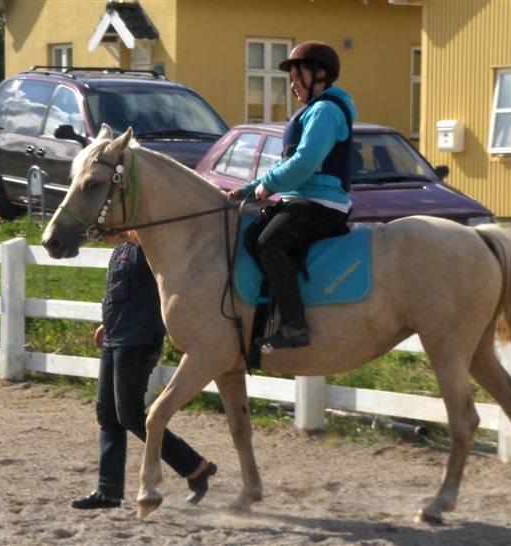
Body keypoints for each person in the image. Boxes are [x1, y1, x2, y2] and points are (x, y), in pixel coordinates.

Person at [72, 231, 217, 509]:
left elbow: (164, 292)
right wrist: (107, 323)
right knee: (108, 415)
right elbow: (121, 293)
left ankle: (194, 466)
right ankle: (109, 491)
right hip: (117, 337)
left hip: (138, 340)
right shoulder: (121, 250)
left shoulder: (154, 245)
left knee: (129, 415)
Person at [227, 41, 357, 351]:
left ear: (320, 74)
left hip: (321, 203)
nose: (292, 84)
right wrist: (247, 190)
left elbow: (305, 163)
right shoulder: (313, 111)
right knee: (254, 234)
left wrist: (269, 185)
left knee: (268, 243)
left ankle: (295, 326)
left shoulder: (325, 111)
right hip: (303, 198)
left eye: (298, 77)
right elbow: (288, 165)